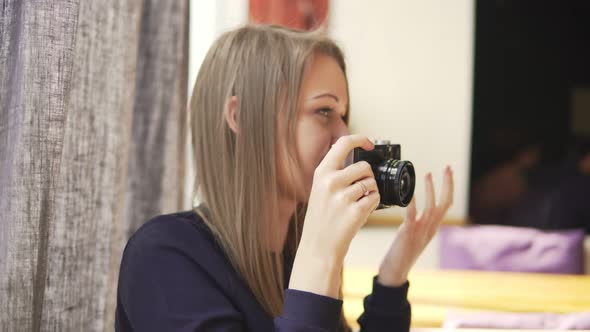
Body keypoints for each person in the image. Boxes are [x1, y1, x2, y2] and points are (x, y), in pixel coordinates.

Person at [115, 25, 454, 332]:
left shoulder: (293, 254)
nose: (344, 134)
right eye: (324, 111)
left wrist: (394, 274)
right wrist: (320, 259)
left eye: (343, 114)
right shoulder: (163, 257)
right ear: (242, 116)